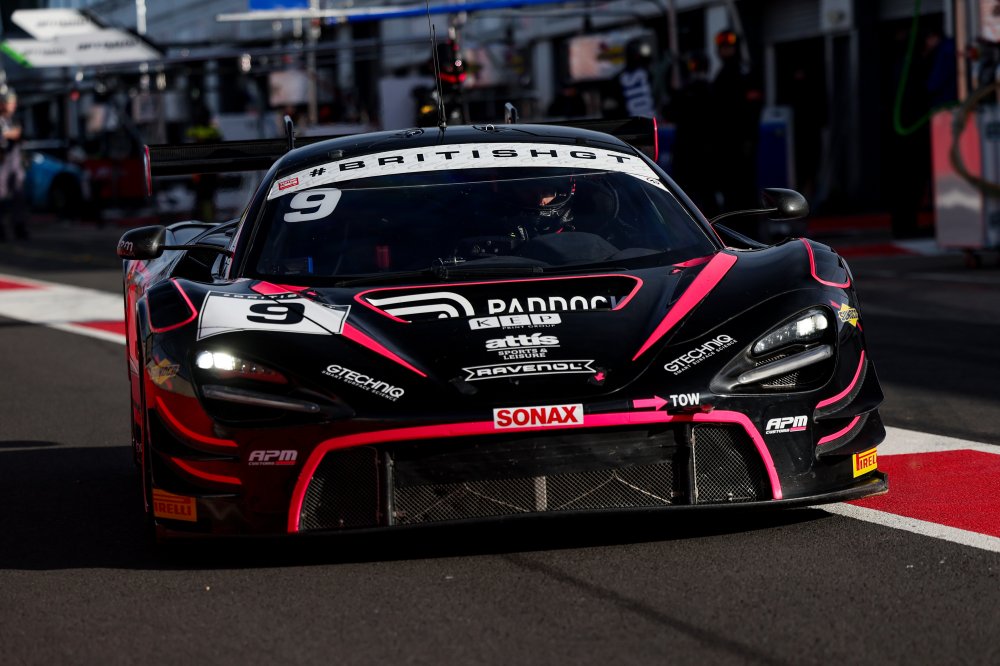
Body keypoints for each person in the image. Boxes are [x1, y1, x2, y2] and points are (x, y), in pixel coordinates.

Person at [708, 29, 762, 227]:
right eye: (723, 47)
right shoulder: (720, 75)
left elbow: (754, 108)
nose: (726, 51)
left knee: (744, 192)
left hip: (741, 145)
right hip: (724, 146)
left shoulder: (745, 72)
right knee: (729, 193)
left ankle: (749, 228)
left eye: (729, 47)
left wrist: (748, 139)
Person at [0, 90, 28, 241]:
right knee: (1, 196)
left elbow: (18, 134)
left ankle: (19, 227)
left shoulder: (15, 119)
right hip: (2, 163)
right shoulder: (2, 120)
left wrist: (7, 134)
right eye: (10, 103)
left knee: (18, 195)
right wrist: (8, 134)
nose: (13, 106)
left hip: (14, 162)